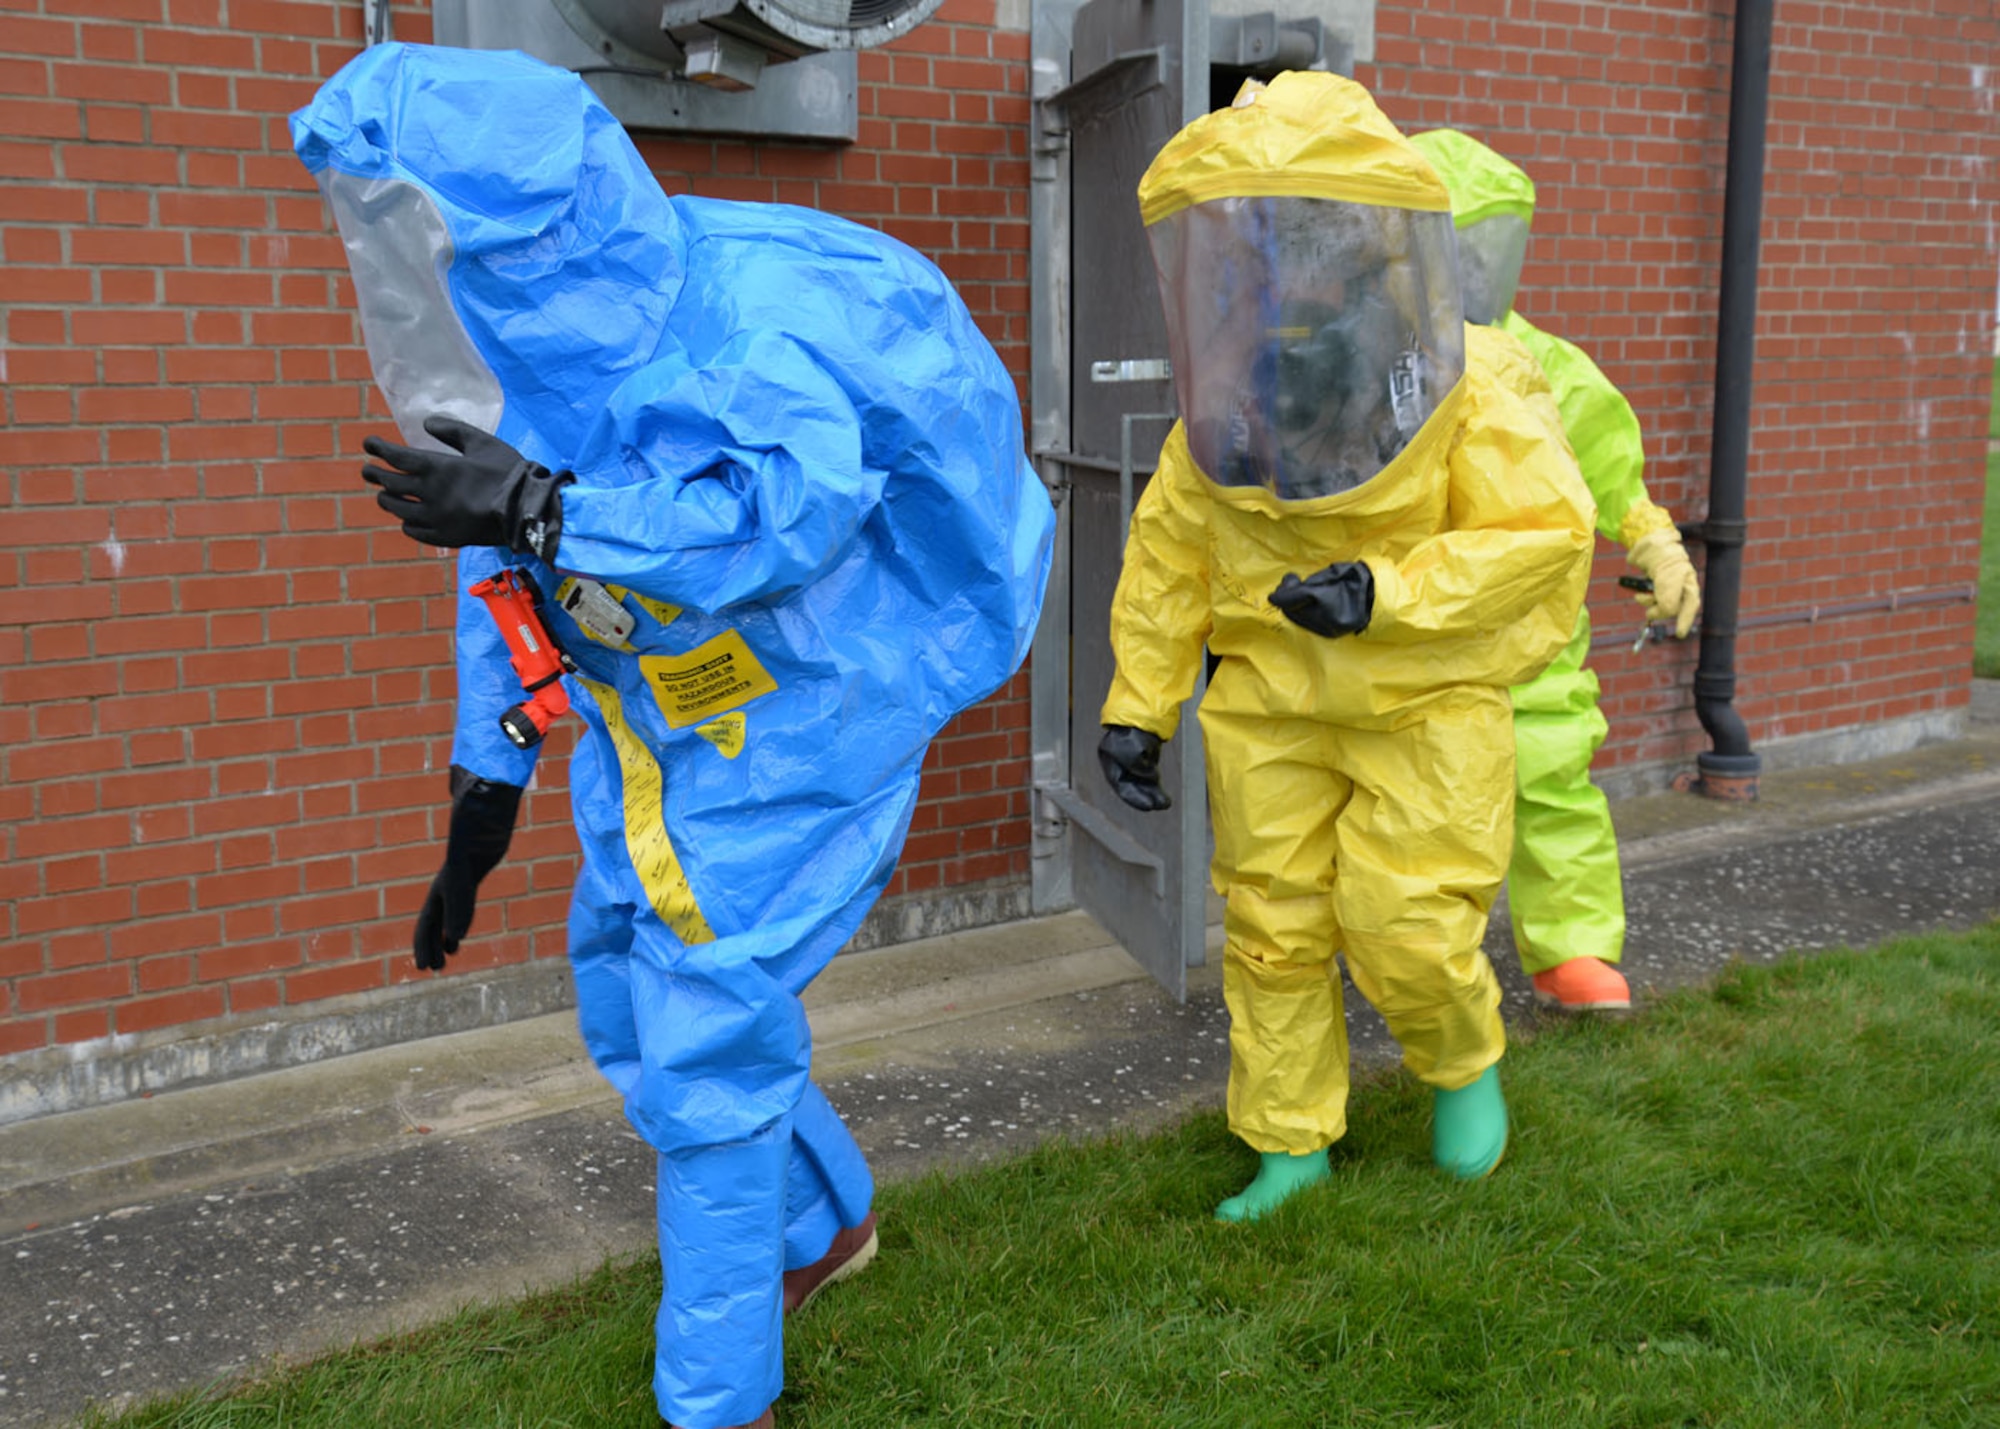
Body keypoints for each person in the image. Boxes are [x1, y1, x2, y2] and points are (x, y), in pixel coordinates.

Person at [291, 44, 1053, 1429]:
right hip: (670, 703)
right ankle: (820, 1224)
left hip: (825, 677)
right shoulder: (526, 343)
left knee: (705, 1026)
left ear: (519, 236)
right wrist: (483, 795)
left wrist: (540, 508)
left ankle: (719, 1401)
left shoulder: (749, 326)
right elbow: (505, 568)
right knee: (624, 982)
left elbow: (784, 520)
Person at [1096, 72, 1594, 1223]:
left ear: (1370, 243)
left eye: (1304, 234)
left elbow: (1536, 537)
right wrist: (1139, 702)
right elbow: (1169, 555)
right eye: (1254, 239)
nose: (1281, 265)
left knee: (1407, 926)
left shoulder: (1467, 388)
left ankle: (1461, 1064)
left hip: (1420, 704)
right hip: (1269, 701)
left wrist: (1385, 592)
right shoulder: (1224, 399)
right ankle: (1288, 1145)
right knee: (1270, 930)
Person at [1408, 128, 1703, 1014]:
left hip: (1533, 629)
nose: (1472, 269)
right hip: (1413, 629)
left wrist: (1654, 541)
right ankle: (1422, 964)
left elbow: (1612, 469)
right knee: (1420, 802)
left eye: (1484, 247)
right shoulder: (1370, 357)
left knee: (1549, 776)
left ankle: (1572, 950)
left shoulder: (1548, 364)